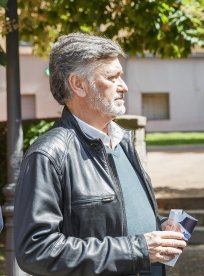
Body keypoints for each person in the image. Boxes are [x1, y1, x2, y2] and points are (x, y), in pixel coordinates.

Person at [14, 33, 186, 275]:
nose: (123, 86)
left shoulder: (123, 141)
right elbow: (36, 250)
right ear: (78, 85)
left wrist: (158, 232)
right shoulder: (49, 154)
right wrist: (138, 249)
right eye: (112, 77)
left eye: (121, 76)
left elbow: (114, 223)